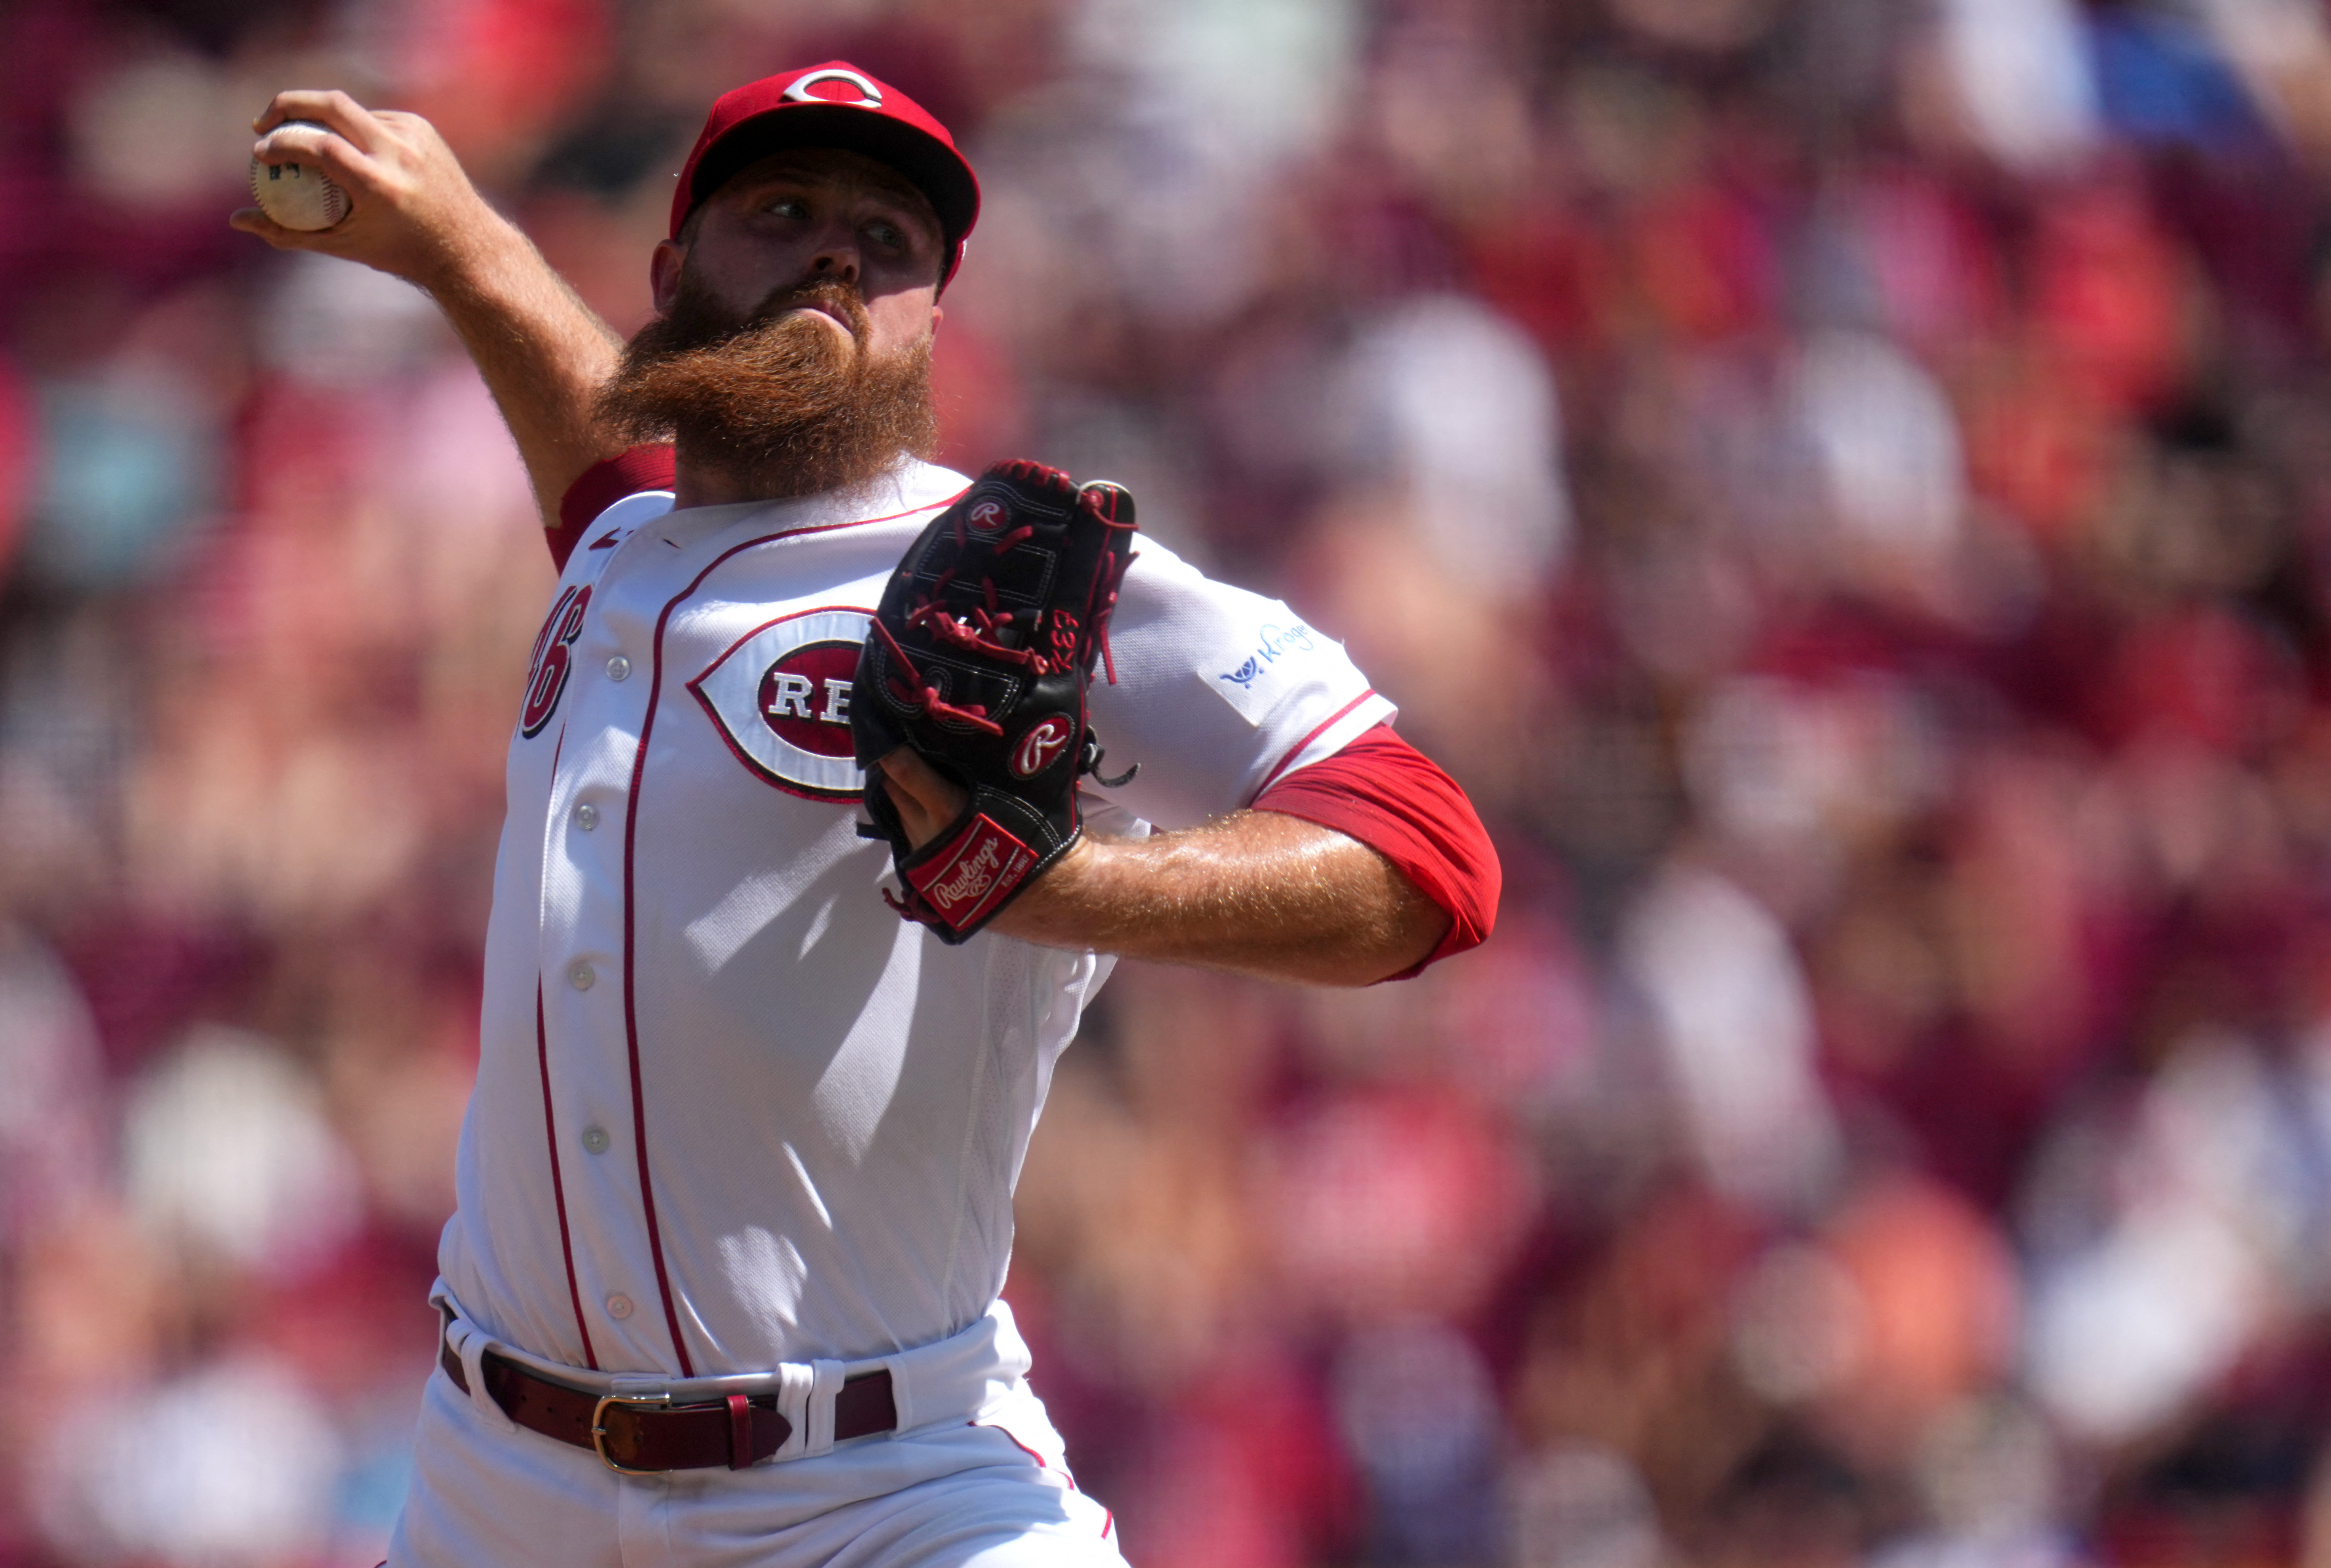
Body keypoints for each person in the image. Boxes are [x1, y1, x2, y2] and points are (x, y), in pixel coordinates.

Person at [235, 61, 1501, 1568]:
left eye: (889, 239)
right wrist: (465, 247)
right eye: (782, 212)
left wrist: (1071, 888)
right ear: (672, 270)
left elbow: (1431, 857)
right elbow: (620, 474)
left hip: (882, 1492)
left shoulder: (1007, 574)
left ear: (934, 320)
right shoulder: (628, 546)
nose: (837, 252)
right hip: (496, 1487)